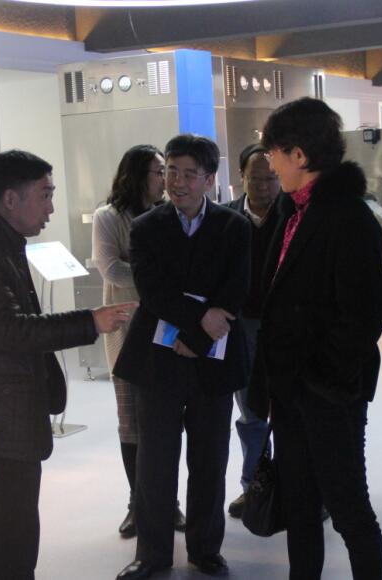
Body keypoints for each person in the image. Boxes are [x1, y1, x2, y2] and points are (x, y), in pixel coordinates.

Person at [0, 149, 134, 580]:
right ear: (11, 199)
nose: (51, 208)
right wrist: (90, 322)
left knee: (8, 523)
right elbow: (10, 329)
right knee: (15, 530)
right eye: (45, 195)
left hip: (0, 409)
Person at [248, 97, 382, 580]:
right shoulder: (291, 210)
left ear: (299, 155)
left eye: (274, 154)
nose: (270, 164)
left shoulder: (349, 217)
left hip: (328, 392)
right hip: (290, 390)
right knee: (299, 506)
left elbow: (363, 315)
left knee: (348, 508)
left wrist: (320, 377)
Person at [112, 134, 251, 580]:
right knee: (155, 460)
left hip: (214, 358)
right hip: (158, 360)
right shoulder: (147, 227)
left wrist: (201, 336)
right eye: (171, 171)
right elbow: (152, 290)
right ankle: (152, 553)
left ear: (210, 179)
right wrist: (199, 323)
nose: (178, 182)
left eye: (190, 174)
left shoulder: (234, 227)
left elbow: (237, 287)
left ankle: (205, 548)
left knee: (209, 458)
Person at [92, 145, 186, 538]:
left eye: (167, 171)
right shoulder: (108, 217)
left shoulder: (172, 214)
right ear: (136, 175)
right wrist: (156, 275)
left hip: (168, 330)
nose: (165, 179)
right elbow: (111, 269)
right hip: (126, 331)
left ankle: (169, 503)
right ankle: (138, 504)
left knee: (165, 423)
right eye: (158, 171)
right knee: (130, 423)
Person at [224, 143, 280, 518]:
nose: (262, 186)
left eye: (271, 178)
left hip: (285, 327)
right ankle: (254, 488)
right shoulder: (226, 218)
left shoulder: (295, 215)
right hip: (240, 326)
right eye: (255, 178)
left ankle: (296, 487)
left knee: (291, 413)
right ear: (241, 177)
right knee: (250, 413)